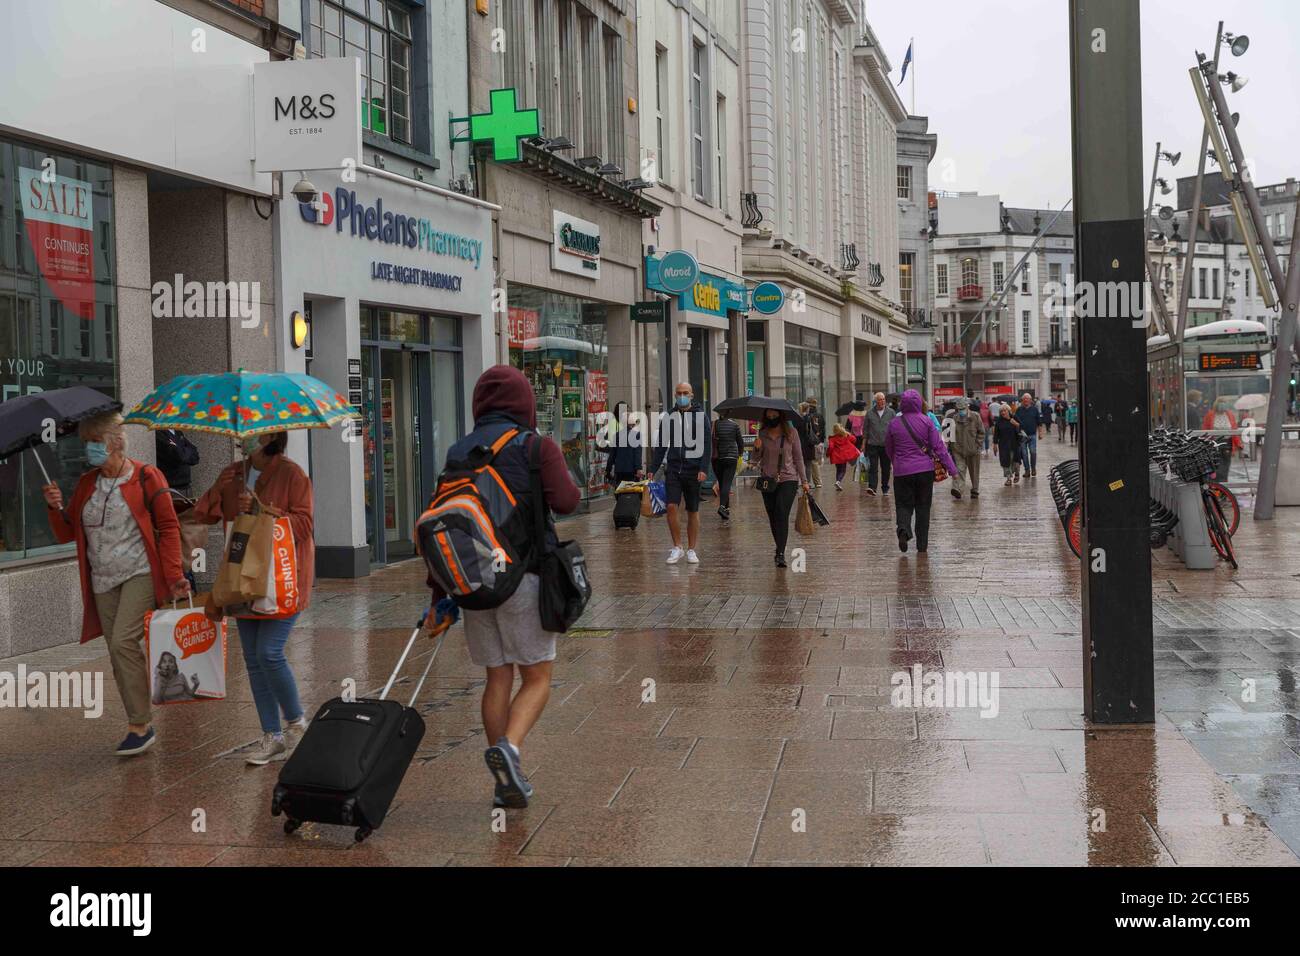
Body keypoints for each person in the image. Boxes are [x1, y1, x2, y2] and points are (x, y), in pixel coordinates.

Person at [425, 365, 579, 809]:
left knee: (497, 677)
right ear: (524, 403)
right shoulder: (535, 446)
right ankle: (508, 750)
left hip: (475, 585)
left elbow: (446, 519)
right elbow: (568, 501)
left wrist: (440, 597)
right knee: (537, 677)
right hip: (524, 579)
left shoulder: (459, 451)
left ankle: (505, 780)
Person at [42, 411, 190, 756]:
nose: (89, 450)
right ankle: (140, 723)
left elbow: (168, 528)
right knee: (117, 651)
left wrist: (173, 577)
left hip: (139, 573)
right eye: (86, 443)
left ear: (115, 441)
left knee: (124, 641)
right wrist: (54, 508)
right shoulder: (86, 483)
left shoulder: (147, 477)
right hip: (102, 580)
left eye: (94, 442)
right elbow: (67, 531)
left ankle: (139, 725)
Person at [191, 430, 314, 766]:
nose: (245, 436)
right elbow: (202, 515)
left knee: (269, 652)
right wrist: (218, 485)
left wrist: (261, 509)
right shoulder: (235, 472)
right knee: (253, 660)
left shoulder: (292, 474)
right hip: (241, 580)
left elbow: (303, 525)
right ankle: (271, 736)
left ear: (272, 435)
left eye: (254, 431)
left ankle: (297, 723)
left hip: (283, 580)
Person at [885, 390, 958, 555]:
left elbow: (889, 447)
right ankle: (922, 545)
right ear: (919, 403)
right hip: (924, 471)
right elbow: (939, 447)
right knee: (923, 507)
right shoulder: (927, 421)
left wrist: (896, 462)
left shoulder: (894, 423)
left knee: (903, 504)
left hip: (902, 472)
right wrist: (952, 469)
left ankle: (903, 530)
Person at [650, 382, 710, 565]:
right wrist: (652, 469)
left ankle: (692, 549)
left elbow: (707, 444)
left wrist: (703, 468)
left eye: (685, 393)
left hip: (693, 470)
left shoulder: (700, 416)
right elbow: (661, 444)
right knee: (671, 507)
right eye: (678, 393)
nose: (681, 395)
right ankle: (677, 546)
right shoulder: (669, 416)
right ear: (675, 395)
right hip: (674, 469)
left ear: (692, 395)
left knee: (692, 510)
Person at [752, 409, 808, 568]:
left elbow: (798, 457)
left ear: (780, 416)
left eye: (774, 415)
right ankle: (779, 546)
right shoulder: (762, 434)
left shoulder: (792, 433)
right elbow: (755, 460)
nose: (771, 418)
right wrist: (756, 448)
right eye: (768, 415)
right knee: (772, 516)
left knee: (781, 513)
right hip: (767, 481)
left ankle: (781, 553)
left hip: (788, 479)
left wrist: (804, 480)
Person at [944, 398, 986, 500]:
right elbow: (948, 434)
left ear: (967, 407)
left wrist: (977, 445)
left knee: (974, 471)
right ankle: (958, 489)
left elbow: (981, 432)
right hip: (958, 449)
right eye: (959, 409)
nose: (961, 411)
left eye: (962, 408)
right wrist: (949, 445)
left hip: (973, 450)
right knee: (959, 469)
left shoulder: (975, 417)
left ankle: (975, 489)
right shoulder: (954, 418)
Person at [602, 400, 644, 489]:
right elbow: (637, 453)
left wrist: (608, 470)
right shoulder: (636, 434)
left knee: (620, 493)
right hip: (631, 471)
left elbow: (612, 455)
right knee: (631, 494)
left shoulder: (617, 435)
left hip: (619, 470)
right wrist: (638, 468)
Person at [862, 391, 895, 497]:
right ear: (875, 401)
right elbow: (865, 429)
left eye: (883, 399)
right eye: (880, 400)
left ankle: (885, 488)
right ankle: (872, 488)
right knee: (873, 467)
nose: (882, 401)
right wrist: (863, 444)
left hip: (887, 445)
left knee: (886, 468)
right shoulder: (869, 413)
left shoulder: (891, 413)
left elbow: (895, 428)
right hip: (873, 445)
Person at [711, 411, 743, 519]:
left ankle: (726, 509)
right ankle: (722, 506)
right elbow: (740, 442)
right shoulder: (735, 425)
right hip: (731, 458)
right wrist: (740, 453)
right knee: (727, 483)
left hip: (717, 458)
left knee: (722, 482)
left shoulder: (714, 424)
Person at [1202, 398, 1241, 482]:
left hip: (1227, 442)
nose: (1223, 405)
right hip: (1215, 443)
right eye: (1221, 403)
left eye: (1224, 403)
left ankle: (1224, 483)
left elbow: (1234, 428)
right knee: (1217, 465)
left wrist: (1239, 444)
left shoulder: (1229, 414)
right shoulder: (1210, 415)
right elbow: (1205, 428)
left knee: (1226, 464)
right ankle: (1217, 483)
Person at [154, 429, 200, 498]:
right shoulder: (159, 433)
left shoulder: (178, 433)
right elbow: (178, 456)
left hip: (186, 487)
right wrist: (184, 449)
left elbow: (195, 456)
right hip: (171, 489)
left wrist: (179, 449)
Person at [992, 404, 1023, 485]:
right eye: (1001, 411)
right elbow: (996, 434)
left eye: (1004, 411)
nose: (1003, 413)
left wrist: (1016, 424)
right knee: (1006, 462)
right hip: (1003, 445)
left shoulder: (1014, 418)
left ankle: (1017, 473)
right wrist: (995, 445)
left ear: (1008, 411)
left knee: (1015, 461)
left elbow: (1022, 427)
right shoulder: (999, 421)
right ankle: (1008, 478)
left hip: (1014, 443)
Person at [1013, 393, 1042, 477]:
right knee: (1024, 454)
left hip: (1032, 435)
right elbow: (1015, 422)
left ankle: (1033, 468)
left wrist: (1040, 433)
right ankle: (1027, 470)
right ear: (1022, 400)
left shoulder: (1034, 410)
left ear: (1030, 400)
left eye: (1027, 398)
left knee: (1033, 452)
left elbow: (1039, 422)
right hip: (1022, 436)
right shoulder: (1019, 410)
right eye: (1024, 399)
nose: (1026, 400)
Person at [827, 423, 859, 490]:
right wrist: (848, 433)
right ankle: (838, 482)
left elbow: (831, 447)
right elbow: (854, 440)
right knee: (843, 470)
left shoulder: (832, 439)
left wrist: (828, 454)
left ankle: (837, 482)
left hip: (837, 457)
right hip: (844, 456)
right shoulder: (846, 436)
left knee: (838, 470)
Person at [803, 396, 825, 489]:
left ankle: (815, 482)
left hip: (811, 442)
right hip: (818, 441)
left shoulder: (808, 416)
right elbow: (823, 428)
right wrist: (821, 440)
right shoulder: (819, 415)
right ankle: (817, 482)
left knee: (812, 462)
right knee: (816, 462)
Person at [796, 403, 819, 492]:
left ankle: (797, 482)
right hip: (808, 444)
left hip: (799, 444)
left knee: (798, 464)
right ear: (807, 409)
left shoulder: (797, 419)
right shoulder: (809, 418)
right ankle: (807, 482)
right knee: (808, 464)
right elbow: (815, 430)